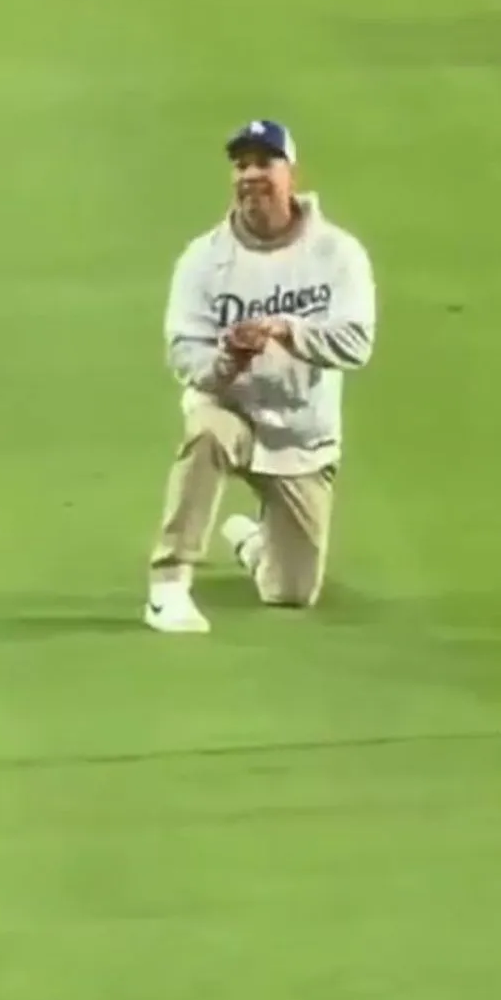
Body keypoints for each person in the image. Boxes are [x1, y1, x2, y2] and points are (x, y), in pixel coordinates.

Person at [146, 120, 376, 634]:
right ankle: (168, 586)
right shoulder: (204, 260)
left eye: (263, 163)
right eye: (241, 165)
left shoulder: (337, 254)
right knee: (206, 432)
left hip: (302, 434)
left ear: (290, 173)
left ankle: (254, 544)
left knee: (291, 593)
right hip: (232, 409)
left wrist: (286, 331)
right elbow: (183, 352)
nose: (250, 175)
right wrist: (226, 363)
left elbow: (357, 342)